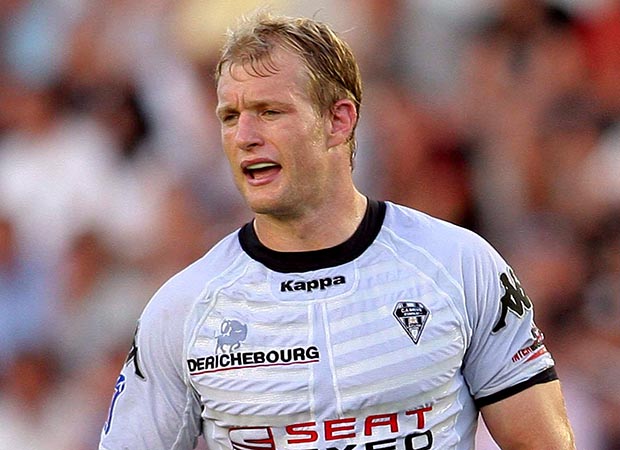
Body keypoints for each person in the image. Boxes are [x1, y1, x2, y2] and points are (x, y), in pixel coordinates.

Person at [99, 10, 576, 450]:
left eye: (269, 111)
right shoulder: (183, 309)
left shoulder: (459, 265)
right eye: (230, 116)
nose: (244, 136)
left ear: (338, 120)